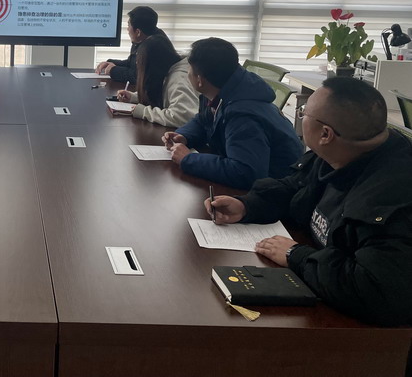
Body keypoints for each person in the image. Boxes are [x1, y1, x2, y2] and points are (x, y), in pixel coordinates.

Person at [206, 77, 412, 327]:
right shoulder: (339, 151)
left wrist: (296, 256)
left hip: (360, 332)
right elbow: (295, 187)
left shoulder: (392, 195)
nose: (300, 116)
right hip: (318, 283)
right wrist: (247, 206)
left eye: (303, 113)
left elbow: (378, 292)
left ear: (325, 134)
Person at [162, 37, 303, 189]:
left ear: (200, 80)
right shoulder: (222, 89)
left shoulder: (242, 115)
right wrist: (184, 136)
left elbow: (245, 172)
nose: (187, 73)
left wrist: (188, 159)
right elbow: (204, 120)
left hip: (277, 191)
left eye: (189, 69)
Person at [116, 34, 198, 127]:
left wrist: (143, 111)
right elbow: (164, 94)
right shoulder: (169, 70)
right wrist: (134, 97)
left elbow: (183, 117)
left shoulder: (179, 79)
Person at [95, 6, 166, 83]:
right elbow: (132, 63)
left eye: (129, 25)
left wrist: (113, 70)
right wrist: (110, 63)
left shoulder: (154, 46)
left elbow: (137, 77)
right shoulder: (144, 38)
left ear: (138, 32)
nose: (127, 29)